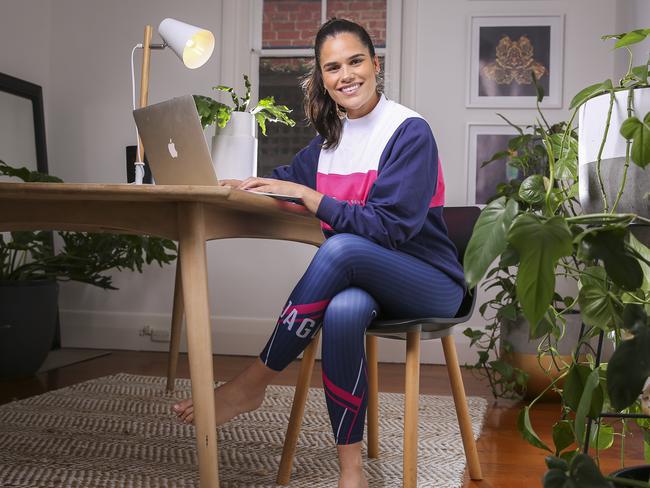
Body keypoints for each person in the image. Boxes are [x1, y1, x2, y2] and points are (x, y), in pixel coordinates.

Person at [173, 18, 465, 488]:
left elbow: (389, 229)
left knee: (344, 247)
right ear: (324, 78)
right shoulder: (329, 143)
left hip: (429, 282)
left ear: (375, 64)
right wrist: (241, 185)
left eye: (354, 61)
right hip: (365, 285)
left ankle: (252, 383)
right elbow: (286, 181)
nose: (345, 75)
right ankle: (351, 471)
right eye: (333, 67)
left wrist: (312, 198)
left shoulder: (409, 132)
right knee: (344, 311)